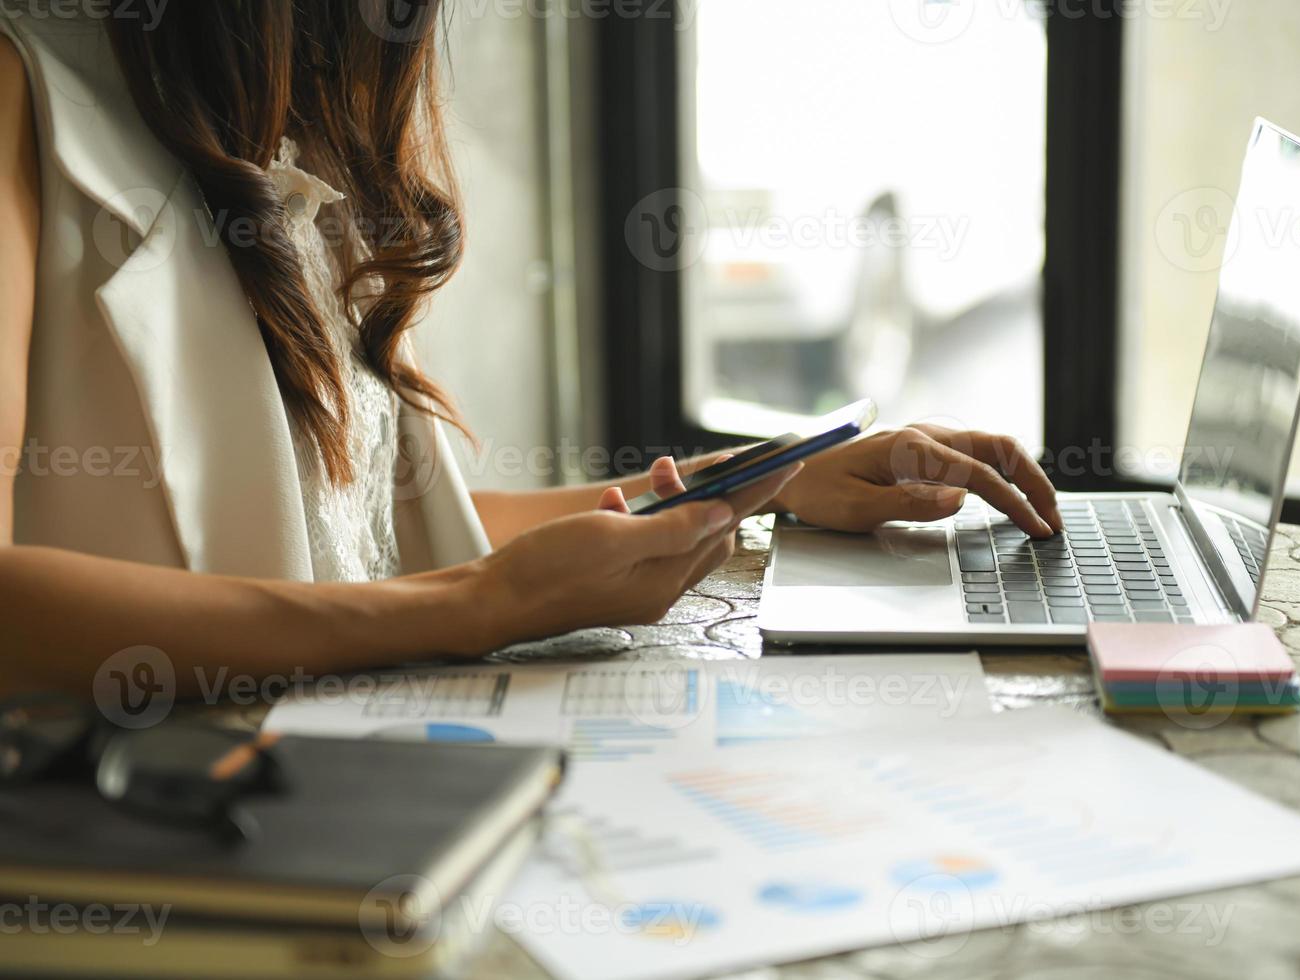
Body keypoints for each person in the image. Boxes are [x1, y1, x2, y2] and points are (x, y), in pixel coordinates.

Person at [0, 3, 1060, 700]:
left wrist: (748, 485)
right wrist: (481, 608)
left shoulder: (294, 135)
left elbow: (384, 538)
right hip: (156, 824)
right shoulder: (26, 93)